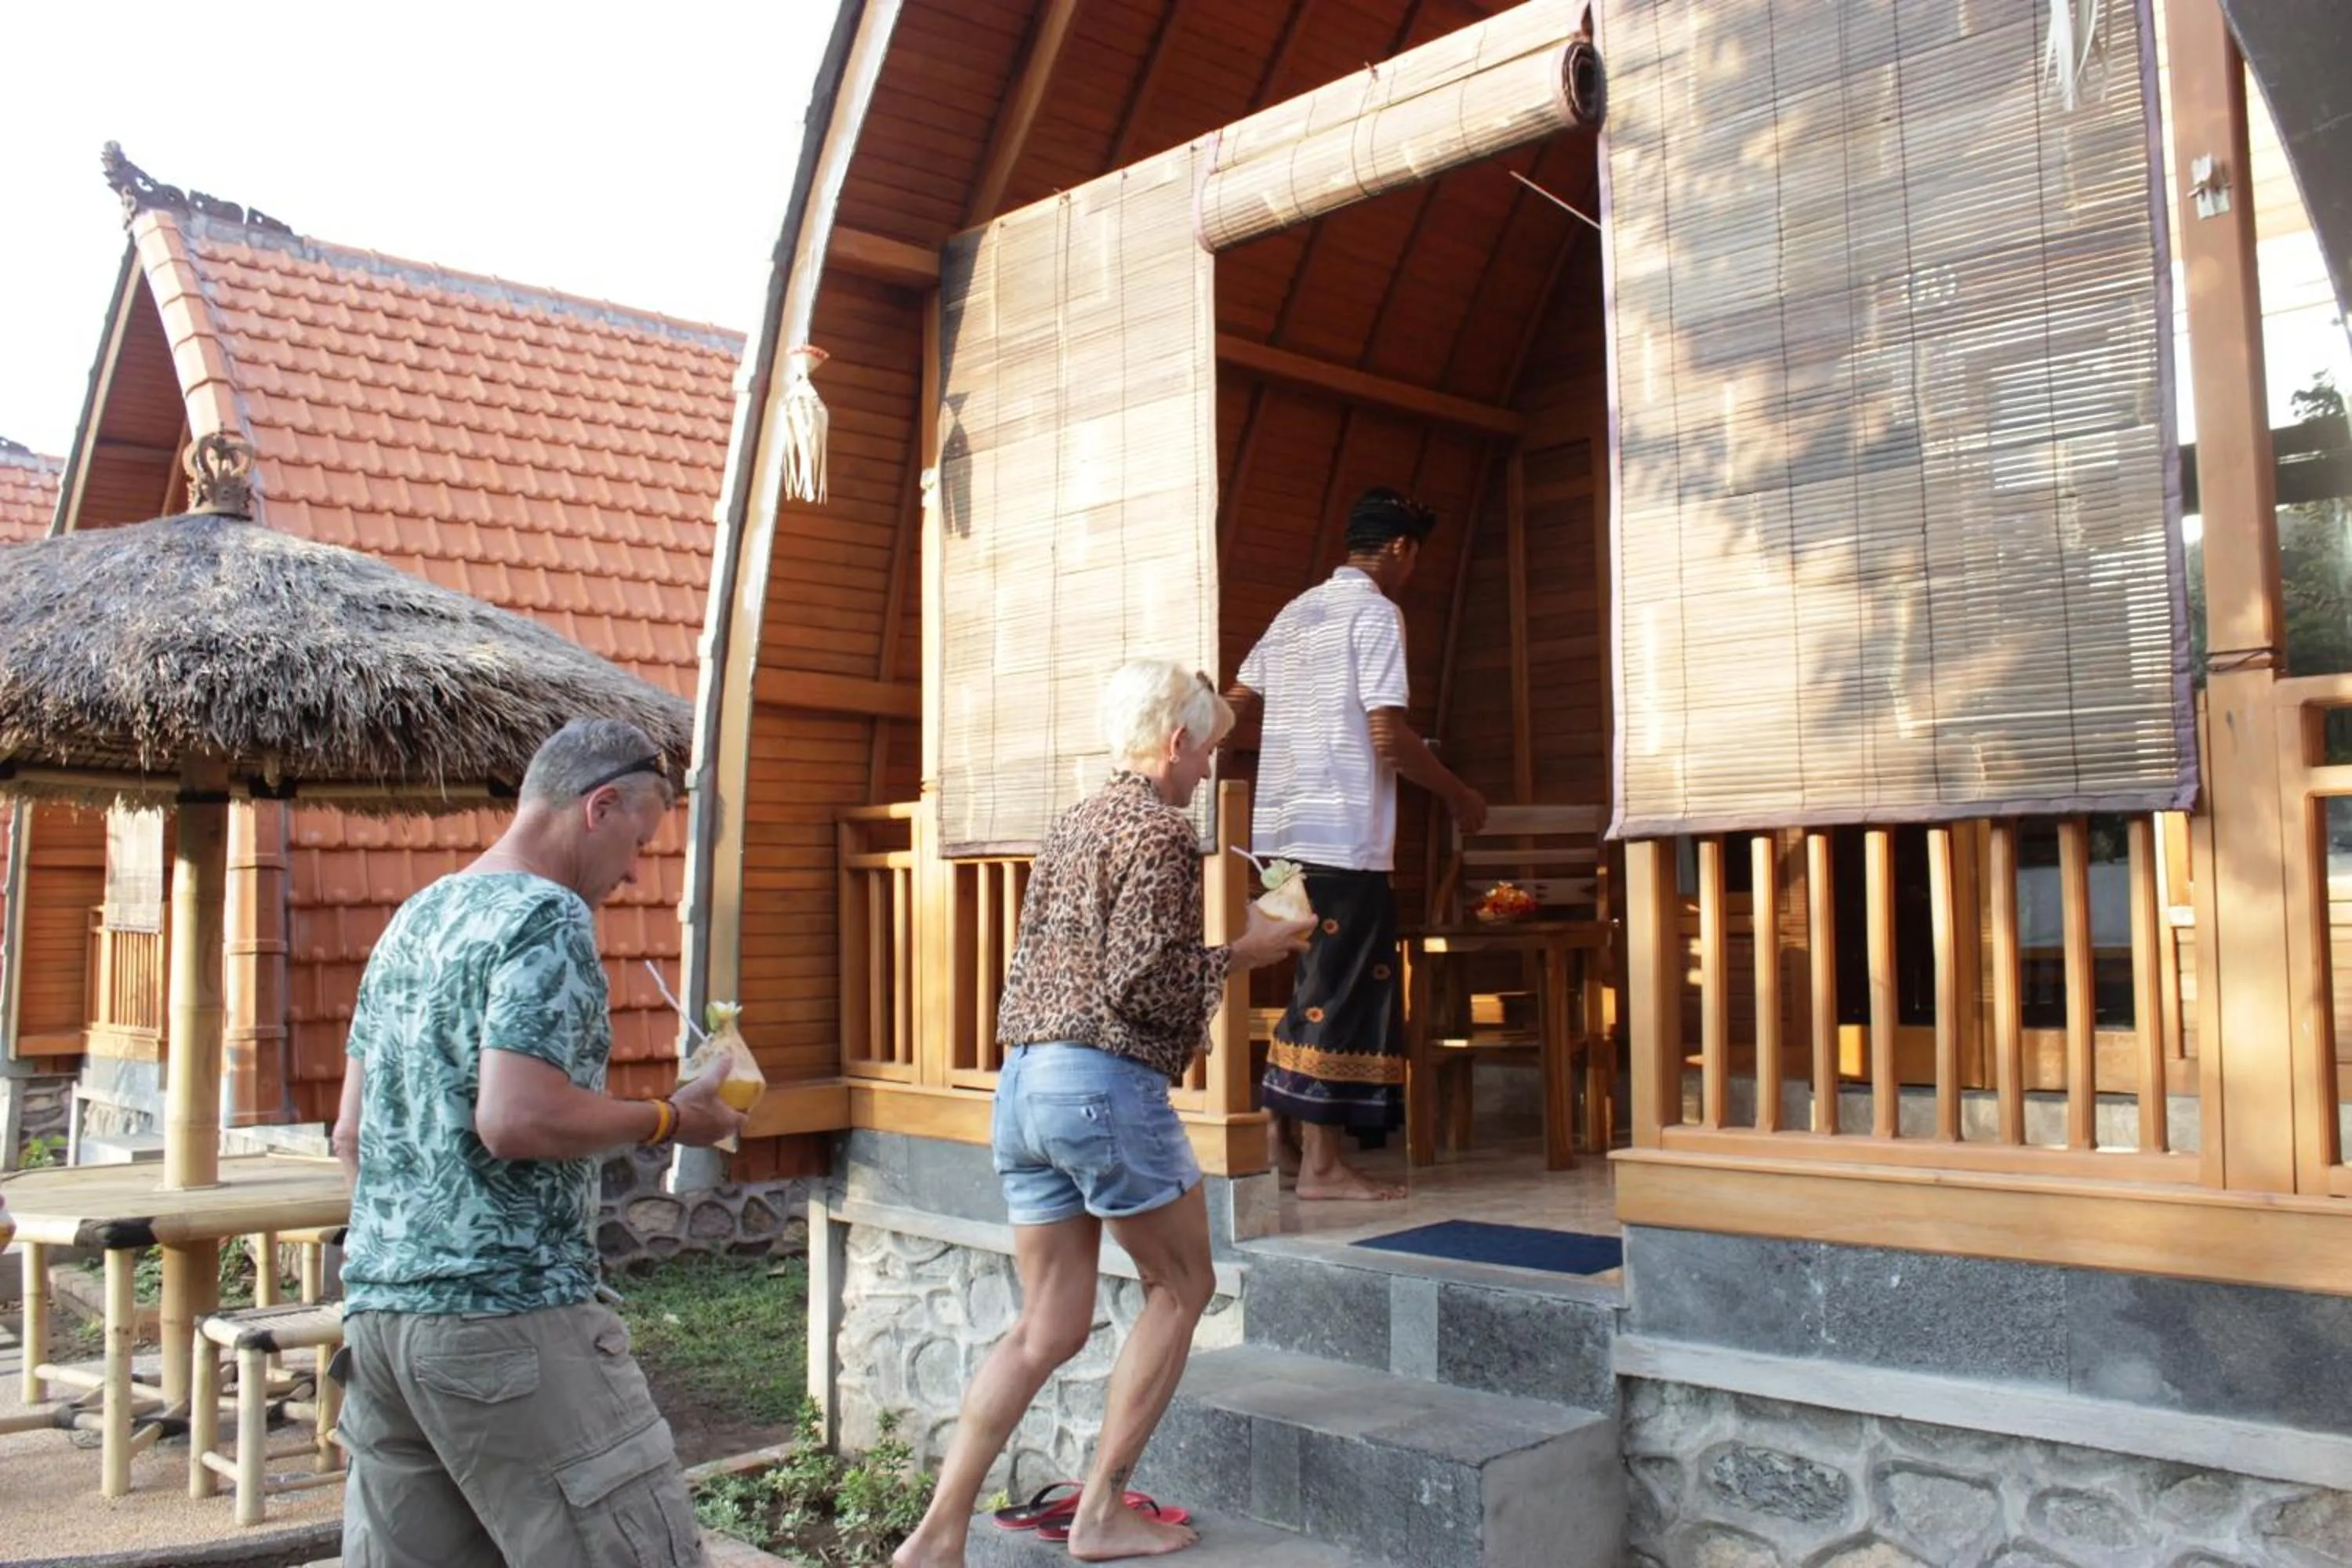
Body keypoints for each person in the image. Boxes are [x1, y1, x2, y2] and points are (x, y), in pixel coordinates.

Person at [894, 661, 1316, 1567]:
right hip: (1100, 1088)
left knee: (1044, 1325)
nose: (1207, 770)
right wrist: (1251, 946)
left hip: (1024, 1087)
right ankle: (1100, 1512)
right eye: (1206, 750)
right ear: (1176, 742)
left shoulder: (1075, 821)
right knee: (1183, 1287)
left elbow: (1082, 963)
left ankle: (936, 1534)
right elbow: (1139, 981)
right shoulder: (1162, 833)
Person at [330, 717, 746, 1568]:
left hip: (381, 1326)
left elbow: (350, 1133)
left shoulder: (418, 913)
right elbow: (516, 1119)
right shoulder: (545, 914)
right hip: (507, 1319)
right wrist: (674, 1115)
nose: (635, 870)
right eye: (639, 838)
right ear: (600, 806)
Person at [1225, 487, 1488, 1201]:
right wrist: (1458, 793)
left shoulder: (1295, 612)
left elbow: (1232, 708)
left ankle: (1281, 1134)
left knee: (1314, 984)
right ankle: (1322, 1166)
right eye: (1415, 558)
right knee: (1343, 992)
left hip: (1278, 840)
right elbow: (1386, 736)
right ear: (1401, 548)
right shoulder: (1375, 614)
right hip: (1341, 839)